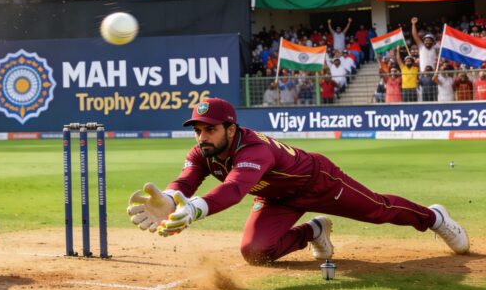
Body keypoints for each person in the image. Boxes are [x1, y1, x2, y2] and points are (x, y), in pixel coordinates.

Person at [126, 98, 469, 266]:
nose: (202, 136)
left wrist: (196, 210)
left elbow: (233, 190)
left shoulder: (255, 150)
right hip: (277, 199)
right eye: (199, 130)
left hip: (319, 182)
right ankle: (314, 231)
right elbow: (187, 179)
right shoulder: (203, 150)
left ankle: (435, 218)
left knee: (378, 210)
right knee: (255, 253)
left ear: (231, 128)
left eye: (210, 129)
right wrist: (171, 199)